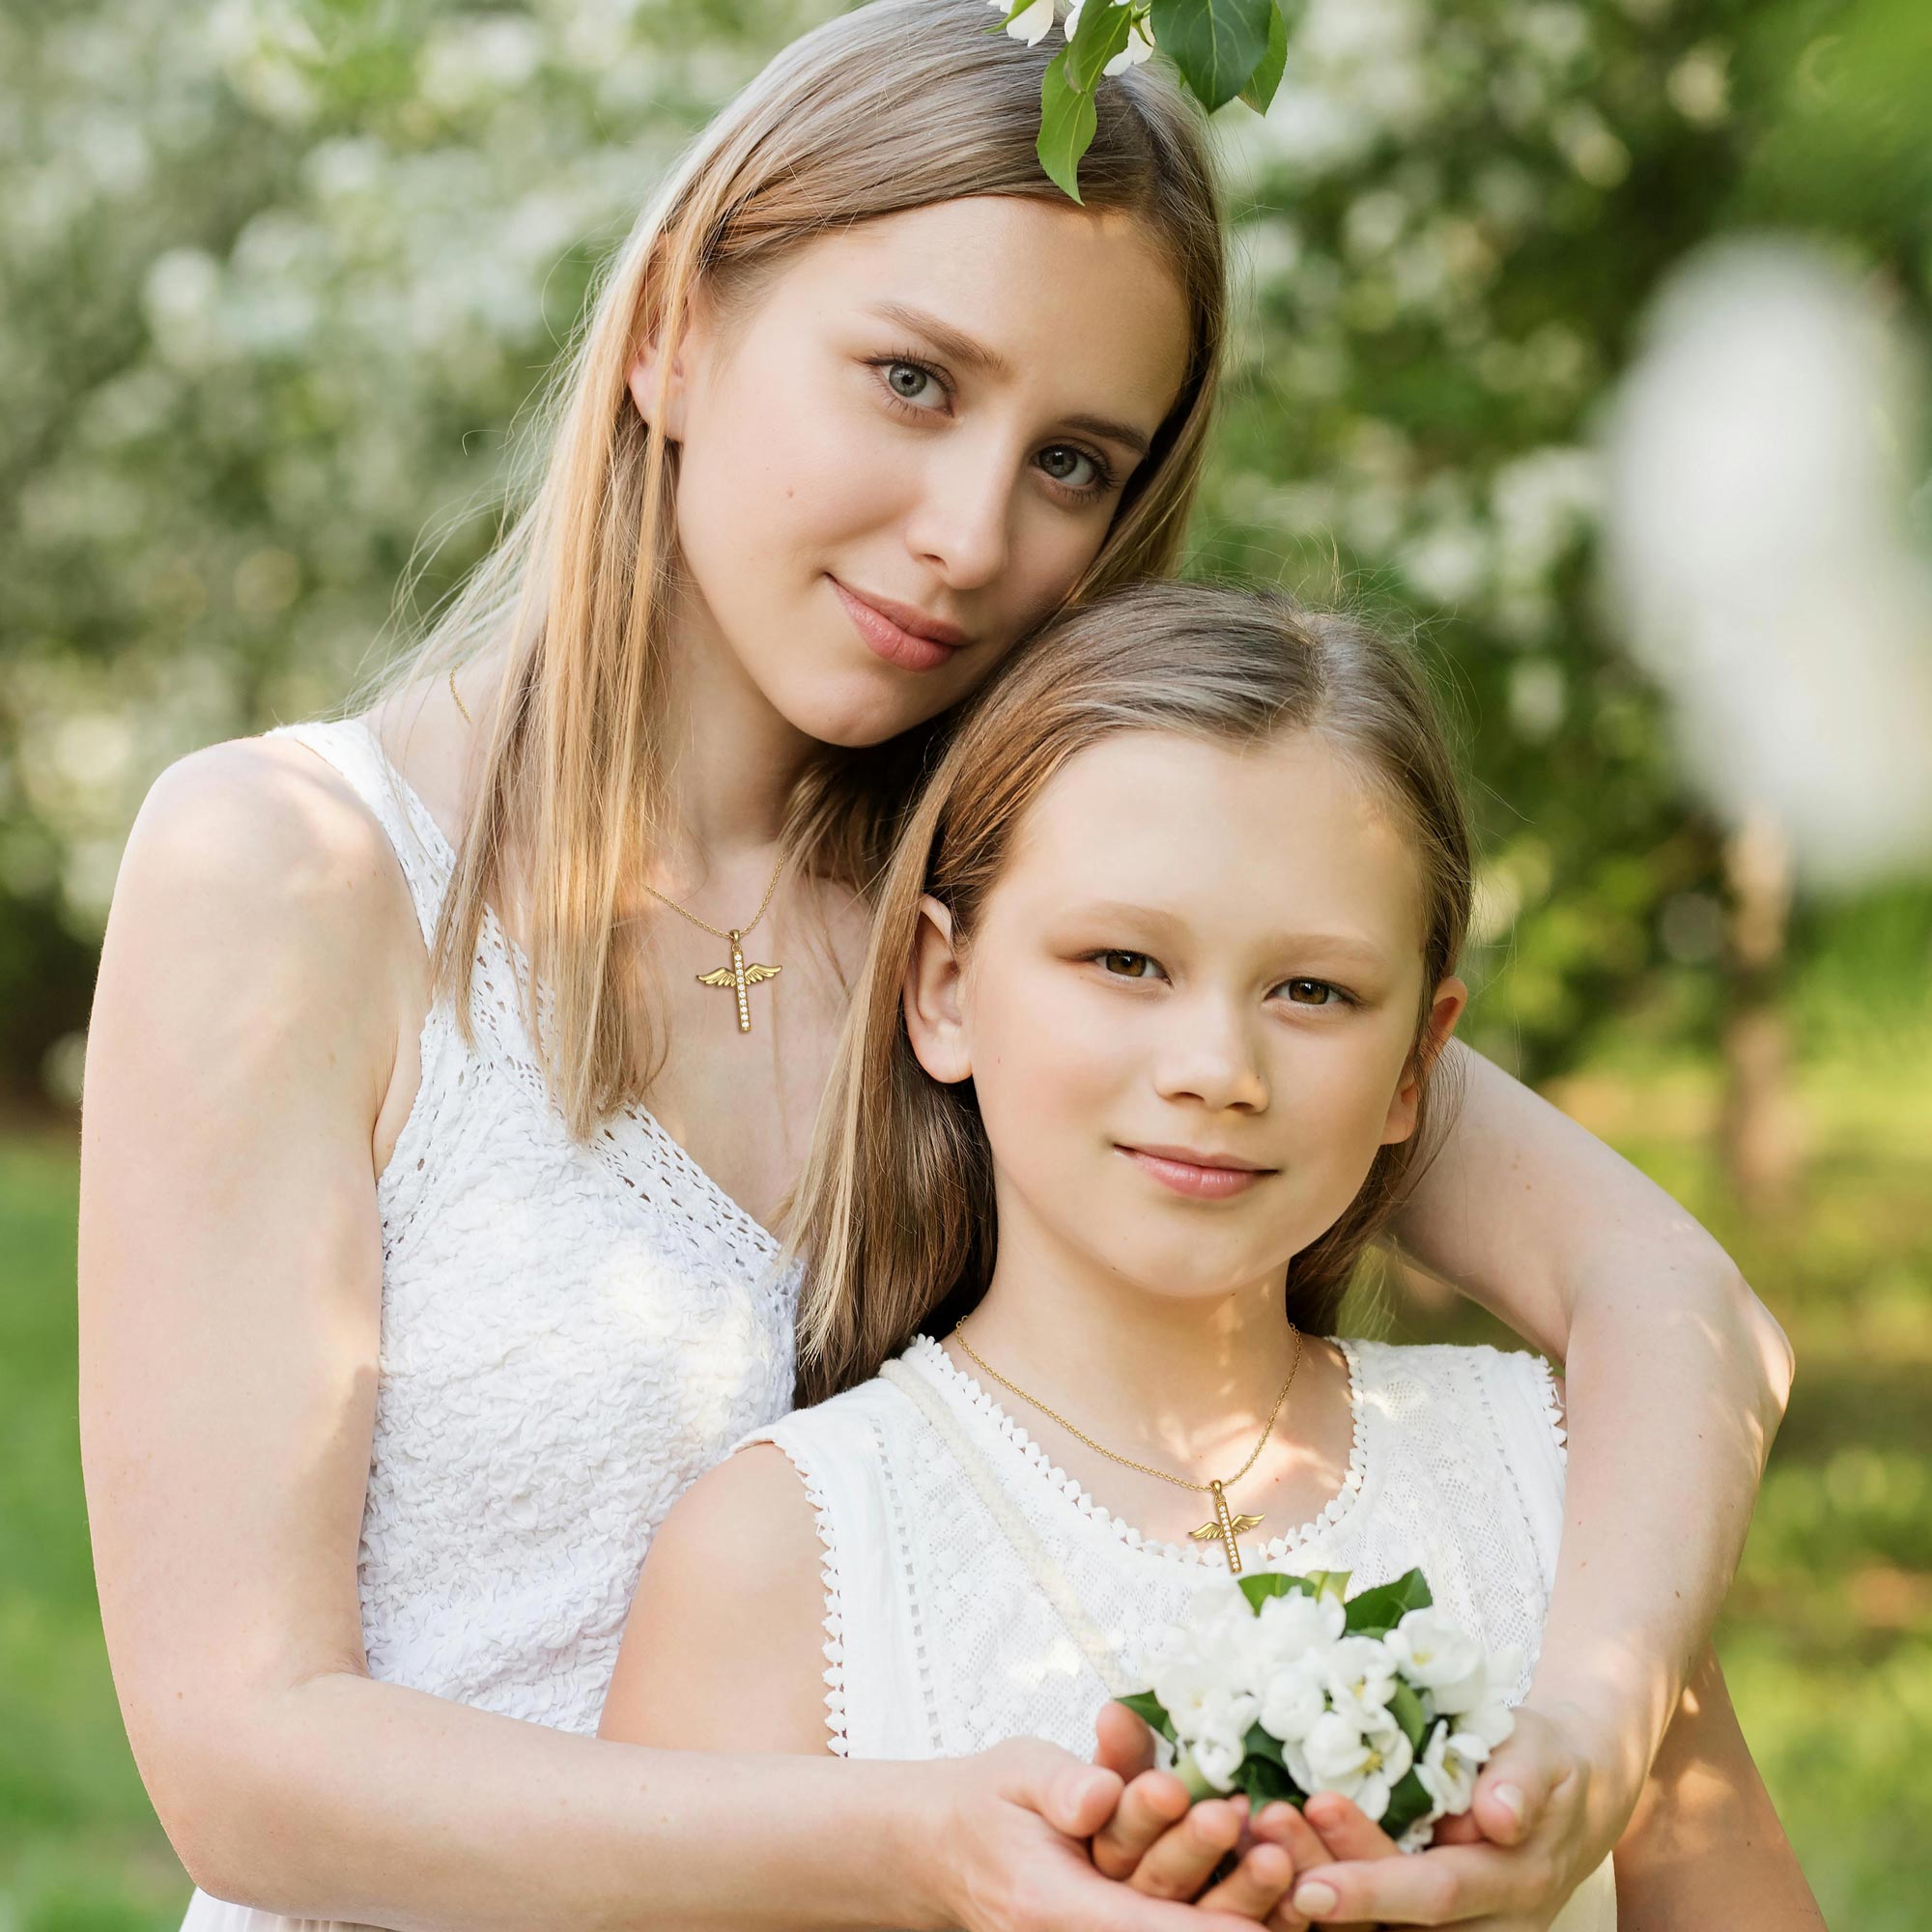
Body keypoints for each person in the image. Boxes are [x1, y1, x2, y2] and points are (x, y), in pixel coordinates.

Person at [76, 2, 1789, 1928]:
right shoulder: (296, 872)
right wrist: (909, 1845)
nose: (972, 532)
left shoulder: (1064, 940)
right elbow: (243, 1755)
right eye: (909, 379)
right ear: (669, 334)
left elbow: (1675, 1301)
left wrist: (1592, 1720)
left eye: (1073, 463)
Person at [601, 582, 1824, 1930]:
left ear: (1420, 1059)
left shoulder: (1557, 1481)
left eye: (1314, 992)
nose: (1217, 1071)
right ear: (946, 990)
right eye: (1125, 959)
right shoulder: (792, 1555)